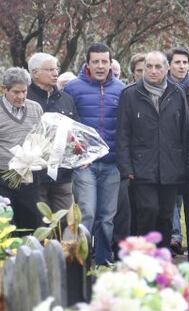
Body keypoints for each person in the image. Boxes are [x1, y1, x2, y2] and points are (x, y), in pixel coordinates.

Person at [117, 51, 189, 250]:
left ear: (167, 69)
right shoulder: (130, 94)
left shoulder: (177, 93)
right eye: (149, 66)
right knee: (148, 210)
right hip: (141, 166)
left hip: (170, 166)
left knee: (166, 214)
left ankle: (162, 256)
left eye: (158, 67)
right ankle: (144, 254)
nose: (153, 71)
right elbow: (123, 133)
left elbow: (185, 131)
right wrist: (126, 167)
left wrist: (185, 165)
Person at [64, 43, 125, 265]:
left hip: (112, 164)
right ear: (87, 63)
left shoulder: (121, 89)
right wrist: (76, 156)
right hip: (85, 165)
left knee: (107, 217)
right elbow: (67, 127)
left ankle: (102, 259)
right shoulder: (73, 88)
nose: (100, 66)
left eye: (104, 61)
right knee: (87, 213)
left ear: (111, 63)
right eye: (96, 61)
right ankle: (81, 259)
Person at [27, 52, 79, 213]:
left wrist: (79, 146)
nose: (55, 73)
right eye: (49, 69)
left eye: (56, 69)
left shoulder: (66, 99)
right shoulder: (25, 98)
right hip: (35, 175)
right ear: (35, 73)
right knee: (40, 223)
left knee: (67, 223)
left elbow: (76, 130)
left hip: (63, 174)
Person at [166, 47, 189, 264]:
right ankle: (168, 250)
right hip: (170, 160)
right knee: (169, 209)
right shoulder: (162, 90)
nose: (181, 66)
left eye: (185, 62)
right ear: (169, 65)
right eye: (177, 62)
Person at [0, 67, 43, 230]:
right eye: (16, 92)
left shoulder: (35, 108)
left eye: (24, 91)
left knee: (32, 223)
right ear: (5, 89)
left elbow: (41, 137)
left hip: (29, 178)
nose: (21, 96)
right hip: (3, 177)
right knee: (6, 225)